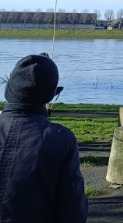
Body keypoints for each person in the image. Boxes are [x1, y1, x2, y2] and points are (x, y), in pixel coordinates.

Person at [0, 53, 88, 222]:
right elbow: (73, 211)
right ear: (51, 95)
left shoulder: (60, 139)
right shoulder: (61, 139)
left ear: (9, 90)